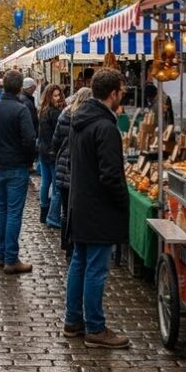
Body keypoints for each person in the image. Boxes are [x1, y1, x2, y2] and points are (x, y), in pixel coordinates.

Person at [64, 68, 130, 349]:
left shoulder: (80, 120)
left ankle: (73, 321)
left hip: (81, 204)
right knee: (94, 269)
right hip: (98, 208)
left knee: (79, 263)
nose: (122, 95)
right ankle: (95, 327)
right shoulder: (105, 127)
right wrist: (122, 201)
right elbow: (111, 176)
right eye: (121, 91)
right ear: (113, 93)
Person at [0, 70, 37, 275]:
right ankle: (11, 258)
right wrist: (27, 159)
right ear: (20, 87)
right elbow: (29, 140)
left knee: (2, 210)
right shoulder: (21, 110)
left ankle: (1, 255)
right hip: (16, 166)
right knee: (13, 212)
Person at [52, 88, 93, 245]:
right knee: (77, 209)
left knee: (65, 208)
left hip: (63, 164)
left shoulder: (64, 114)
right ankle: (76, 240)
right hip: (78, 167)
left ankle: (65, 241)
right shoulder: (88, 118)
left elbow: (55, 141)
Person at [37, 84, 65, 226]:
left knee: (45, 183)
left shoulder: (42, 111)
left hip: (43, 151)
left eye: (58, 95)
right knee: (56, 186)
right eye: (55, 95)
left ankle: (44, 213)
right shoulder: (54, 113)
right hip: (52, 153)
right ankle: (53, 216)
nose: (58, 98)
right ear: (49, 96)